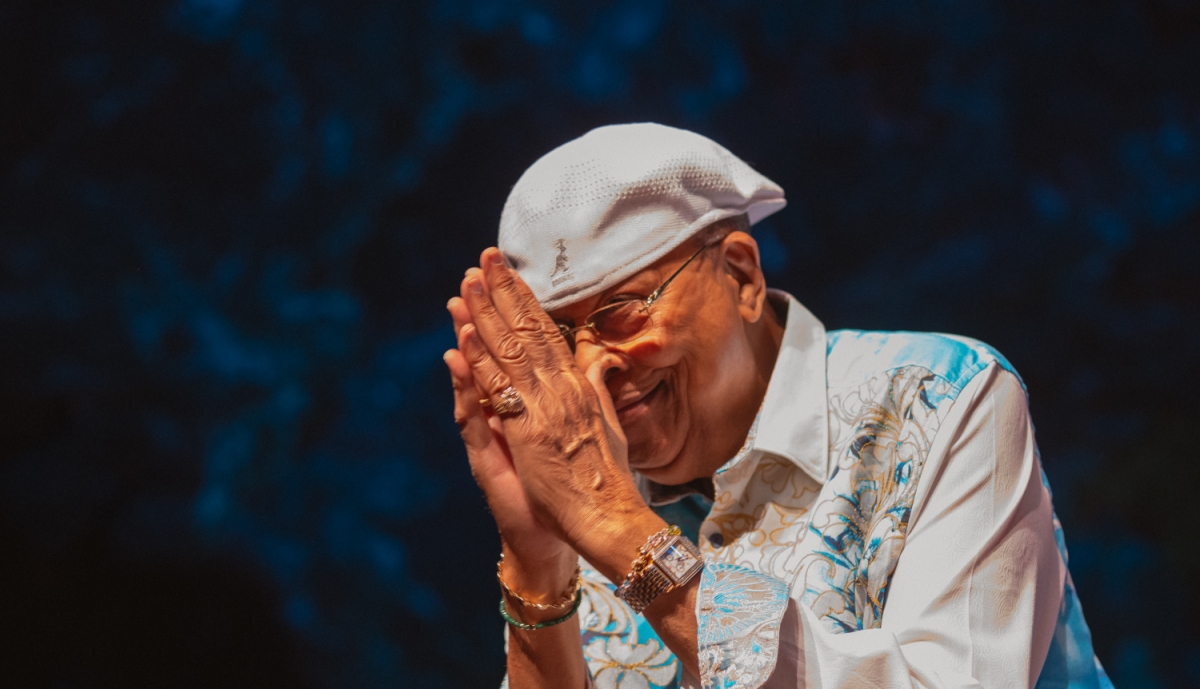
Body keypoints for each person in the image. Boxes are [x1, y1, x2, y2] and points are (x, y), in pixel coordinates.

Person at [443, 123, 1112, 689]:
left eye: (620, 312)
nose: (589, 371)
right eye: (559, 342)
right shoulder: (583, 471)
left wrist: (619, 531)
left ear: (740, 274)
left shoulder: (941, 396)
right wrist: (536, 559)